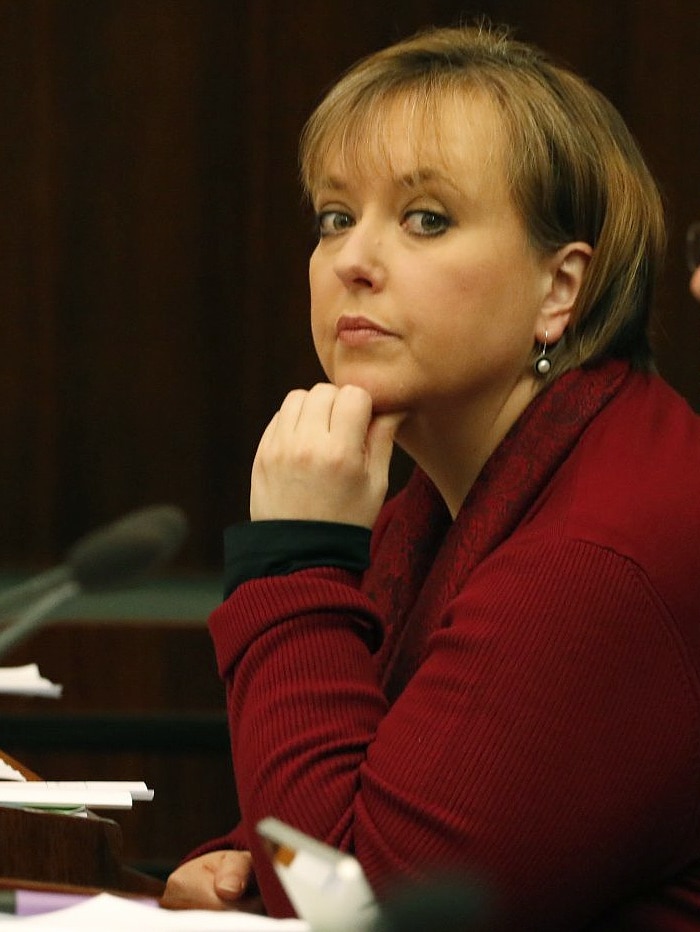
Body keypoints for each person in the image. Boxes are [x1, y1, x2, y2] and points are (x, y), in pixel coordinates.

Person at [161, 23, 700, 930]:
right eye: (336, 216)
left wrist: (293, 562)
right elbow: (390, 802)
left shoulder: (597, 553)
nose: (353, 262)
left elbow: (359, 909)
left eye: (426, 219)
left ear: (559, 290)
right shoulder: (460, 500)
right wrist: (248, 852)